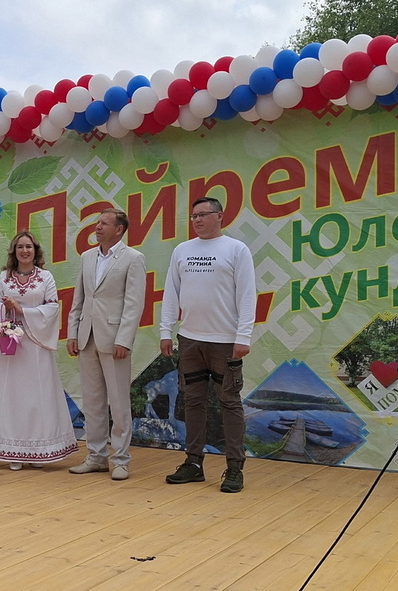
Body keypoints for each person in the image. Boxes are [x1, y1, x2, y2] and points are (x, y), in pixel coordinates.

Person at [160, 196, 256, 493]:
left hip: (225, 341)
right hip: (190, 339)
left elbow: (247, 294)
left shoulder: (236, 249)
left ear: (220, 216)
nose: (198, 220)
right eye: (194, 216)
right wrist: (166, 330)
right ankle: (193, 463)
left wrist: (243, 336)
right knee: (192, 402)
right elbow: (171, 293)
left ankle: (234, 468)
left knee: (229, 402)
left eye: (203, 215)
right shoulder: (182, 250)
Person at [0, 231, 77, 470]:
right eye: (20, 247)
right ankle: (13, 451)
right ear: (14, 251)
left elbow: (53, 308)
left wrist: (22, 311)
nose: (24, 251)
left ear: (35, 250)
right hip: (11, 346)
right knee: (12, 396)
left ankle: (38, 450)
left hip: (36, 345)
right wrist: (5, 311)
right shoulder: (4, 278)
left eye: (28, 247)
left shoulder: (45, 277)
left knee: (37, 397)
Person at [66, 208, 146, 482]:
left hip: (114, 340)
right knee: (92, 401)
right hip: (86, 336)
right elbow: (79, 298)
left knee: (119, 403)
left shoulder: (133, 258)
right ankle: (96, 457)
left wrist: (124, 339)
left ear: (119, 229)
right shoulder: (87, 257)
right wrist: (73, 333)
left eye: (103, 224)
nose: (97, 227)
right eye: (97, 223)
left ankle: (121, 459)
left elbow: (134, 304)